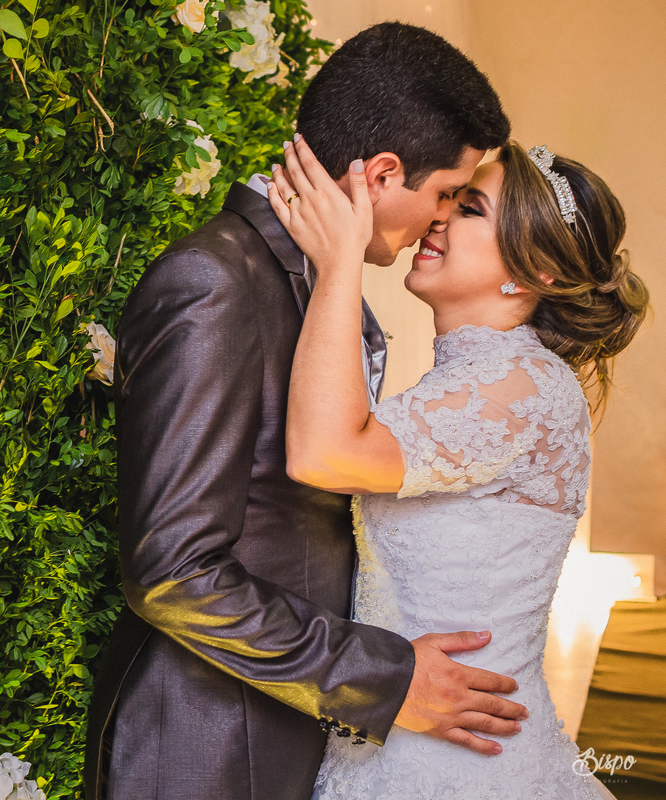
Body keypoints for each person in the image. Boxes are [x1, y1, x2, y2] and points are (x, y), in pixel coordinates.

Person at [84, 23, 526, 800]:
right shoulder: (214, 281)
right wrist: (383, 678)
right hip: (203, 747)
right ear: (385, 172)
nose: (443, 217)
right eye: (446, 193)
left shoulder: (315, 284)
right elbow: (173, 572)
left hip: (279, 733)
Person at [268, 135, 648, 798]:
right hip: (398, 739)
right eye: (448, 197)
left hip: (458, 765)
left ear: (536, 274)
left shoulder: (524, 386)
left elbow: (325, 453)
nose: (438, 216)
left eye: (469, 208)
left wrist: (338, 266)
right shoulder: (480, 378)